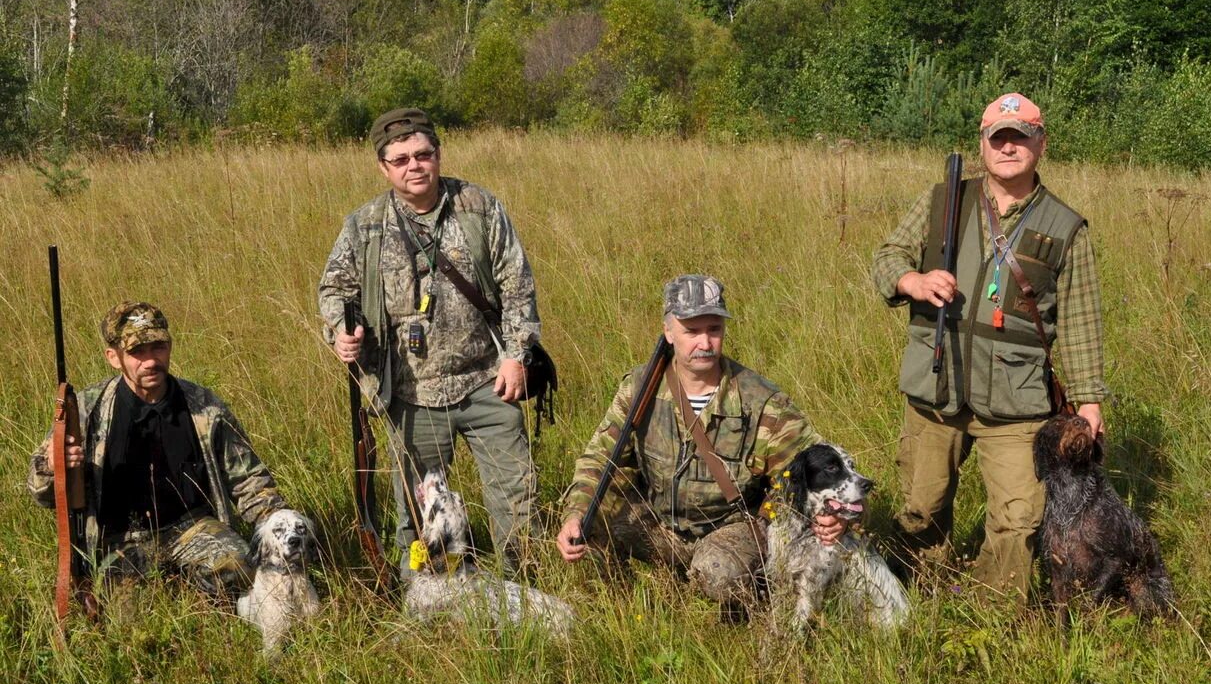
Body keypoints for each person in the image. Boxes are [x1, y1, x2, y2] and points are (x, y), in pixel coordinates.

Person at [871, 92, 1108, 599]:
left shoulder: (1066, 227)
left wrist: (1089, 402)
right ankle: (906, 597)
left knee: (1019, 519)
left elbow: (1083, 319)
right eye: (997, 137)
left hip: (1017, 398)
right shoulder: (943, 201)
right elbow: (887, 255)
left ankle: (989, 613)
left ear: (1040, 144)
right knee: (920, 507)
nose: (1007, 146)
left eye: (1019, 137)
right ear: (982, 143)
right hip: (937, 383)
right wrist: (910, 280)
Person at [318, 108, 541, 575]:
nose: (413, 166)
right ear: (383, 167)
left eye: (422, 154)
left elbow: (517, 284)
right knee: (419, 515)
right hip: (411, 394)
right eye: (399, 159)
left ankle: (524, 591)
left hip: (487, 381)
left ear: (438, 155)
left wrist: (517, 357)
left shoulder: (478, 207)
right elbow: (334, 290)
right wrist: (340, 331)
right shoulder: (365, 226)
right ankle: (426, 606)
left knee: (516, 500)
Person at [556, 275, 843, 612]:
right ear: (668, 332)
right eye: (692, 331)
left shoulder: (761, 400)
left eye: (714, 329)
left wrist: (838, 515)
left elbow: (822, 466)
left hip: (730, 529)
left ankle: (751, 598)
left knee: (717, 573)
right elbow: (600, 457)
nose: (705, 342)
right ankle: (629, 609)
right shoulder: (639, 388)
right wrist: (575, 515)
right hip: (659, 521)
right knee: (586, 532)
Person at [27, 302, 286, 597]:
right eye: (137, 352)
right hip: (120, 539)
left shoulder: (203, 405)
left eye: (158, 347)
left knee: (240, 566)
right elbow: (41, 493)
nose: (150, 361)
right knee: (129, 621)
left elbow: (248, 479)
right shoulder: (86, 409)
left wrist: (277, 521)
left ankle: (207, 608)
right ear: (114, 357)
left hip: (191, 527)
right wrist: (53, 467)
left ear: (170, 346)